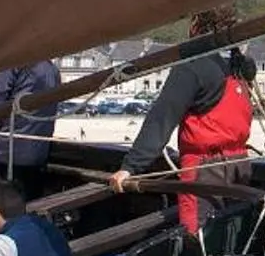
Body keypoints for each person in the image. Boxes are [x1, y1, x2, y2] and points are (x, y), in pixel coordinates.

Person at [109, 43, 256, 234]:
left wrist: (130, 167)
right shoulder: (240, 65)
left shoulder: (193, 66)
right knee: (232, 234)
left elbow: (162, 118)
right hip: (240, 164)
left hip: (203, 169)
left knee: (195, 236)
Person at [0, 56, 60, 195]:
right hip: (37, 157)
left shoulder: (10, 64)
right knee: (27, 210)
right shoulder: (52, 70)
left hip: (4, 157)